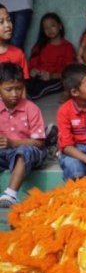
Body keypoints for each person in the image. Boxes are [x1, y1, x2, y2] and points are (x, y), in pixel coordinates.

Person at [0, 62, 47, 207]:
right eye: (9, 89)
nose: (15, 94)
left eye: (19, 89)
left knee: (23, 151)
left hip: (30, 152)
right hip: (5, 154)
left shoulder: (31, 109)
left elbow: (39, 143)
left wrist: (13, 143)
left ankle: (11, 194)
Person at [27, 13, 75, 100]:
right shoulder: (39, 45)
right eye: (46, 28)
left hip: (56, 79)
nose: (49, 30)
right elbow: (31, 65)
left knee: (35, 93)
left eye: (52, 26)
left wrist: (52, 76)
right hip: (38, 77)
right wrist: (32, 71)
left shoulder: (67, 47)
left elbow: (69, 73)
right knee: (23, 83)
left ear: (60, 26)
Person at [0, 4, 28, 78]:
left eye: (9, 20)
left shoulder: (18, 53)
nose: (7, 25)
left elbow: (23, 84)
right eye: (1, 22)